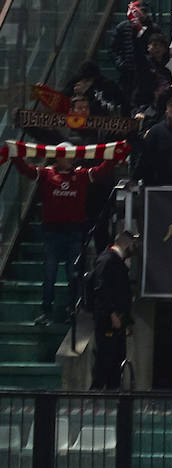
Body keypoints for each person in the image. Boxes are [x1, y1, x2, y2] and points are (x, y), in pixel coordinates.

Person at [1, 145, 121, 326]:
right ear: (57, 157)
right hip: (52, 233)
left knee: (73, 274)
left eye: (71, 155)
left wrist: (114, 157)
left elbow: (101, 170)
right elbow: (26, 171)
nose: (69, 158)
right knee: (49, 274)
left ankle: (71, 310)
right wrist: (15, 156)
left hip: (73, 232)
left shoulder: (80, 175)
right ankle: (46, 311)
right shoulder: (46, 174)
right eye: (65, 155)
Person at [88, 230, 136, 390]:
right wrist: (112, 314)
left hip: (118, 321)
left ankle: (112, 394)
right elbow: (102, 290)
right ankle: (96, 394)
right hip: (107, 321)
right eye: (132, 244)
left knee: (115, 360)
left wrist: (126, 320)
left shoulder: (116, 262)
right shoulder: (107, 261)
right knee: (104, 358)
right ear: (126, 244)